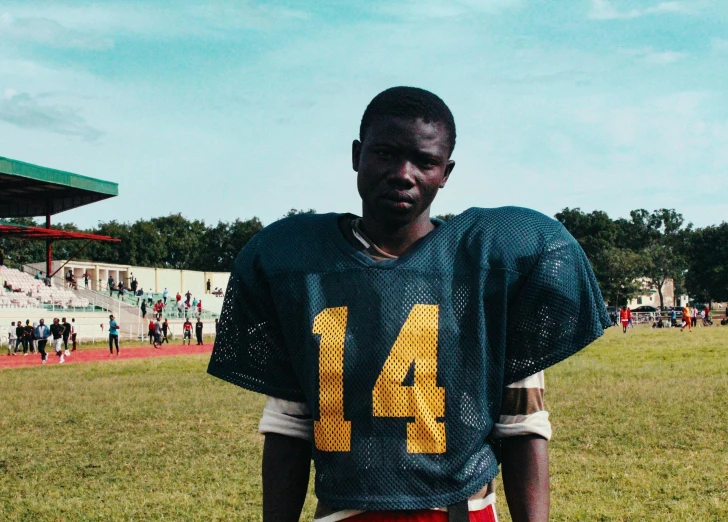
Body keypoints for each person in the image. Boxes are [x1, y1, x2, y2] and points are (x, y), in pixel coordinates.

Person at [207, 87, 611, 522]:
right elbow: (289, 426)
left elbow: (522, 425)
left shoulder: (492, 265)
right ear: (357, 155)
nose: (403, 173)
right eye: (385, 153)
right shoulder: (303, 267)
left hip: (460, 511)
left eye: (424, 161)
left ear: (446, 171)